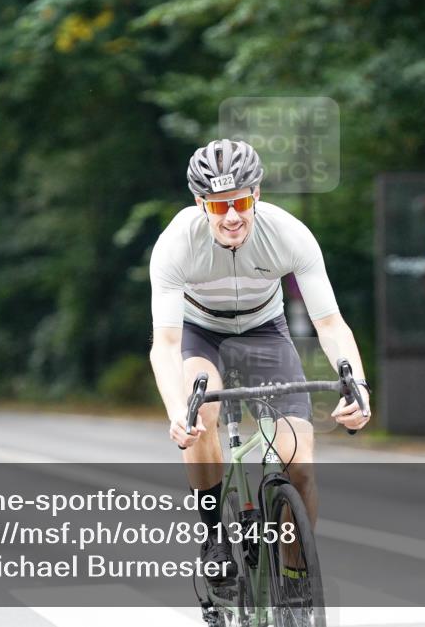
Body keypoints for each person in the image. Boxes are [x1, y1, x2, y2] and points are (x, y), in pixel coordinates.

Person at [149, 139, 371, 584]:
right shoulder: (176, 244)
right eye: (219, 205)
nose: (232, 216)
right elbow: (167, 344)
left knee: (299, 463)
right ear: (201, 204)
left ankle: (295, 583)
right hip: (200, 332)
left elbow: (331, 324)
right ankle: (214, 534)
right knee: (200, 413)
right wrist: (177, 411)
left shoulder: (289, 234)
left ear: (257, 194)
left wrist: (358, 388)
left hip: (264, 330)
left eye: (241, 201)